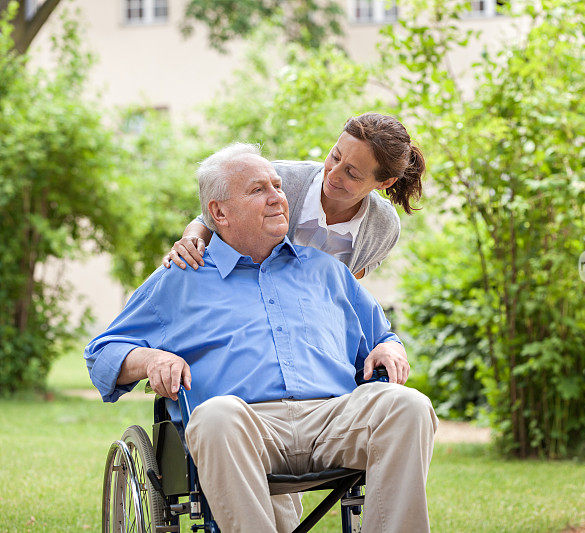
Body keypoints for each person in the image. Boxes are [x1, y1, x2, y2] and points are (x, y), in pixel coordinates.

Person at [85, 144, 437, 532]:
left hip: (333, 418)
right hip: (244, 422)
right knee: (216, 416)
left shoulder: (325, 271)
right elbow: (102, 352)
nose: (277, 198)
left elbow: (381, 336)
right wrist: (151, 360)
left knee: (409, 406)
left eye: (278, 186)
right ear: (219, 212)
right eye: (258, 190)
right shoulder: (181, 278)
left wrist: (389, 345)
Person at [164, 112, 426, 279]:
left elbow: (346, 291)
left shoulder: (382, 228)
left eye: (352, 173)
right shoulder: (278, 181)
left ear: (385, 182)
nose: (333, 174)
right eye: (334, 156)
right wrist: (190, 240)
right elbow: (210, 218)